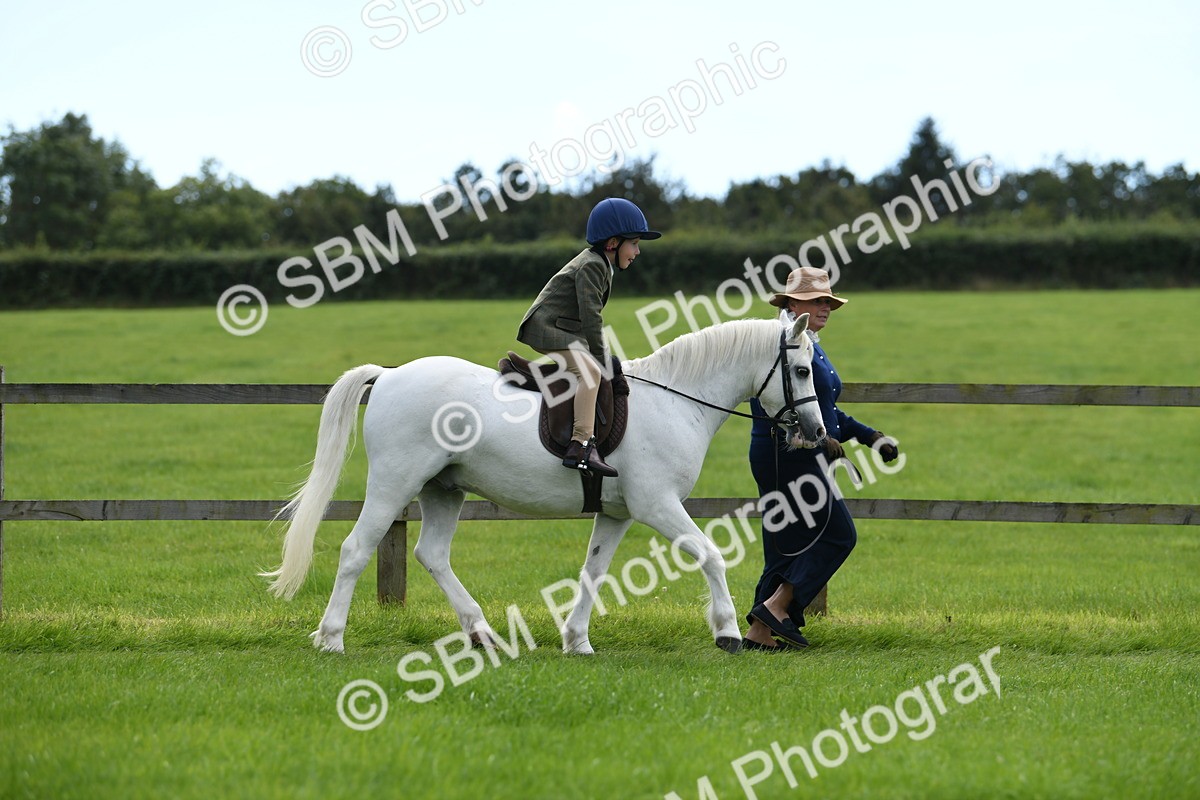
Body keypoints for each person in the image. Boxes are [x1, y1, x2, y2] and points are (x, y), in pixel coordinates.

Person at [742, 266, 899, 651]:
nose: (826, 307)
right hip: (787, 456)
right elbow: (776, 405)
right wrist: (818, 439)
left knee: (785, 545)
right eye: (816, 300)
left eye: (828, 301)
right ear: (793, 304)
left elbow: (825, 409)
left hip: (797, 454)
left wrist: (869, 436)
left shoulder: (804, 341)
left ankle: (758, 634)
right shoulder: (781, 342)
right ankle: (777, 608)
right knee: (838, 535)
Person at [516, 197, 661, 478]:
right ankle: (580, 444)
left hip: (564, 328)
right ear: (613, 243)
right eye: (634, 243)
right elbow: (591, 317)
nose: (637, 251)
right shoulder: (592, 266)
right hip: (547, 328)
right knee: (591, 373)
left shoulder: (600, 263)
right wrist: (601, 359)